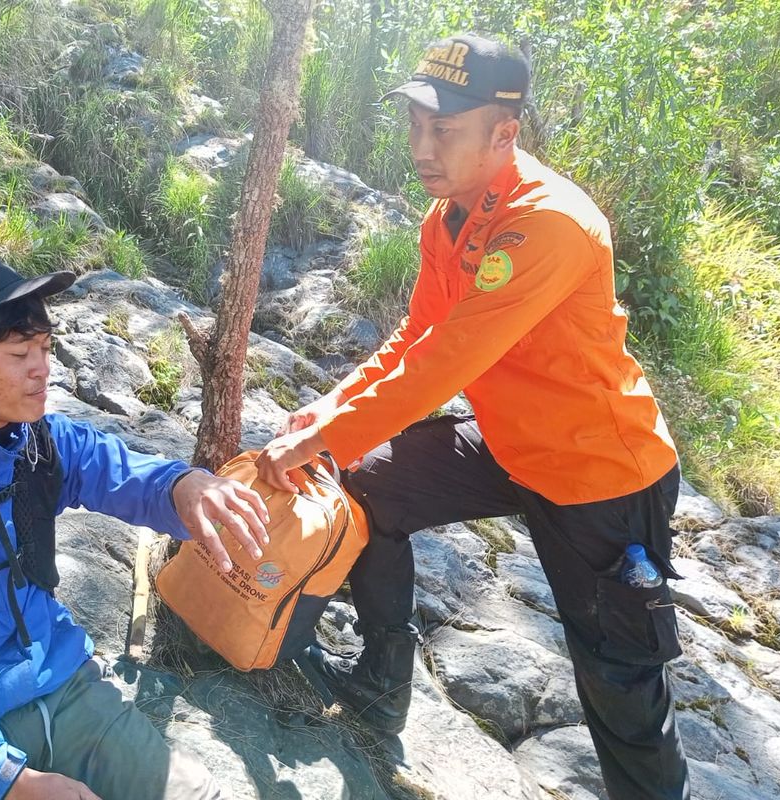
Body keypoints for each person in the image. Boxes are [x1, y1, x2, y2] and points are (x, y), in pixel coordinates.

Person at [255, 34, 689, 800]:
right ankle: (382, 681)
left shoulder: (549, 222)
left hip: (600, 473)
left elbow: (445, 364)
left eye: (444, 130)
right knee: (364, 482)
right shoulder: (445, 219)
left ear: (504, 133)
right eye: (416, 124)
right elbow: (415, 337)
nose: (423, 147)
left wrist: (326, 433)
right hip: (508, 441)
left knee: (619, 686)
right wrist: (330, 409)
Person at [0, 252, 270, 800]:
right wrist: (12, 782)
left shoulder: (40, 443)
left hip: (65, 688)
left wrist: (185, 485)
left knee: (197, 794)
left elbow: (125, 474)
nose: (43, 369)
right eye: (19, 353)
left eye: (44, 348)